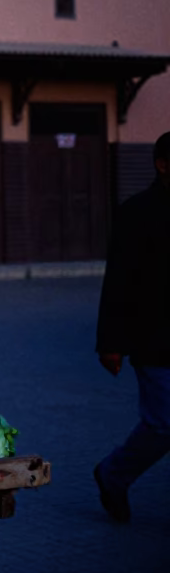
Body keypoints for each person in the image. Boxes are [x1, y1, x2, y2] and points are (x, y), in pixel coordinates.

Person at [92, 131, 170, 523]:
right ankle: (113, 474)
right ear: (162, 164)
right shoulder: (138, 212)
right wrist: (110, 343)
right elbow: (118, 281)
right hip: (156, 339)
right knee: (163, 425)